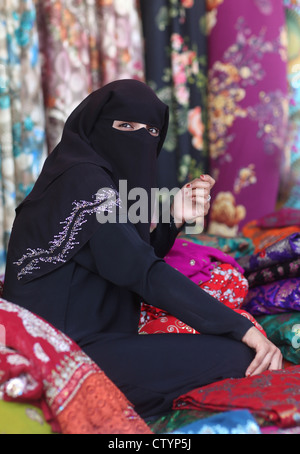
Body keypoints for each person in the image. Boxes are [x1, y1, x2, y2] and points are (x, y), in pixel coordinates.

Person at [3, 79, 282, 420]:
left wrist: (173, 218)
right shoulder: (85, 181)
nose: (138, 138)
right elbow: (141, 271)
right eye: (125, 126)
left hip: (82, 343)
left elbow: (120, 258)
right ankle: (91, 407)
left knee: (228, 352)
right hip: (62, 354)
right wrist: (240, 327)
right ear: (93, 125)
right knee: (240, 357)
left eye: (151, 130)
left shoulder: (82, 177)